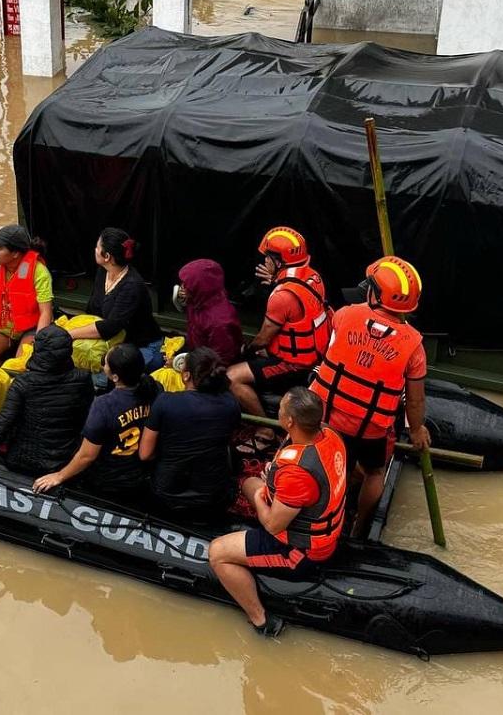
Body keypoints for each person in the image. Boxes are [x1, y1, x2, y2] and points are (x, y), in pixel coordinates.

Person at [207, 387, 347, 638]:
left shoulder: (297, 474)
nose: (278, 411)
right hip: (305, 509)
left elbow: (273, 525)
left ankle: (261, 620)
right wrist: (268, 481)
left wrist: (262, 500)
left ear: (289, 421)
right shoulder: (329, 435)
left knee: (217, 553)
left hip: (301, 550)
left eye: (281, 409)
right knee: (249, 484)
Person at [310, 255, 430, 537]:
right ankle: (360, 524)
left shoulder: (343, 315)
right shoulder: (415, 347)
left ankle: (325, 518)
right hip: (371, 428)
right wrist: (416, 430)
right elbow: (414, 400)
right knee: (375, 473)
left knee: (328, 467)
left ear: (376, 293)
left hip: (329, 417)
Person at [33, 344, 161, 501]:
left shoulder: (104, 405)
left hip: (107, 480)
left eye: (105, 362)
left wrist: (59, 476)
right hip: (139, 475)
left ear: (115, 377)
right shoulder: (154, 388)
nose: (103, 365)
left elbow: (87, 456)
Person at [228, 227, 332, 417]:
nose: (265, 260)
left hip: (293, 364)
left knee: (231, 377)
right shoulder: (314, 277)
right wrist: (277, 280)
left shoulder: (281, 297)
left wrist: (245, 350)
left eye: (268, 257)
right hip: (315, 355)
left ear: (278, 260)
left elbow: (262, 339)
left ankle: (264, 429)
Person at [0, 324, 94, 476]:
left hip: (24, 460)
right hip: (65, 460)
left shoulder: (23, 383)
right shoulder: (84, 378)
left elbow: (4, 423)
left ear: (38, 350)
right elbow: (85, 416)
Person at [139, 347, 241, 518]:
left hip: (166, 496)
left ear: (186, 375)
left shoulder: (165, 402)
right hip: (212, 498)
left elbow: (145, 454)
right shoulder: (230, 404)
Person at [66, 228, 163, 371]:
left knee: (107, 378)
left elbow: (110, 327)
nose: (95, 249)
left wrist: (68, 335)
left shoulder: (131, 285)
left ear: (107, 257)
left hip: (139, 344)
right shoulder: (103, 271)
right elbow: (93, 311)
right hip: (114, 340)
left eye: (98, 247)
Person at [0, 224, 55, 364]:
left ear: (15, 253)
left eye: (0, 248)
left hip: (30, 328)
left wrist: (38, 342)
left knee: (21, 364)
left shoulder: (39, 272)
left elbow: (45, 312)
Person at [173, 258, 243, 366]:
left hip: (210, 368)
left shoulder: (219, 323)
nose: (182, 287)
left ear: (199, 287)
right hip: (196, 353)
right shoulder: (197, 300)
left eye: (186, 285)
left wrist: (189, 367)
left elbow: (222, 360)